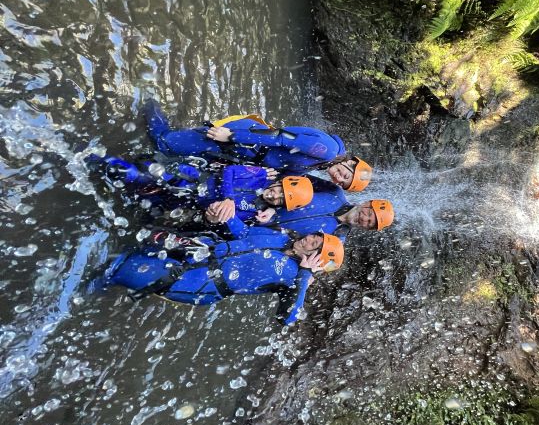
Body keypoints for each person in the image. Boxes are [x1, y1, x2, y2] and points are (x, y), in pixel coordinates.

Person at [98, 215, 344, 325]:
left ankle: (93, 286)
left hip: (199, 283)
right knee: (132, 243)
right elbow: (244, 234)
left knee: (118, 268)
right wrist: (227, 214)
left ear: (316, 260)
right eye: (314, 237)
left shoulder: (292, 279)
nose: (309, 240)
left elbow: (287, 319)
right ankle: (102, 286)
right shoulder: (281, 238)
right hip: (199, 250)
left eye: (316, 246)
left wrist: (304, 277)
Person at [143, 101, 373, 192]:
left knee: (181, 158)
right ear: (350, 162)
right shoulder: (328, 150)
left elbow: (288, 170)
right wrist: (231, 135)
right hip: (244, 139)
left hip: (244, 153)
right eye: (346, 175)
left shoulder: (323, 162)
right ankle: (147, 100)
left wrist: (269, 178)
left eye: (344, 183)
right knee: (165, 143)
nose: (340, 179)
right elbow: (281, 137)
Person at [88, 154, 314, 223]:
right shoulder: (261, 176)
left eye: (278, 200)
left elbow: (223, 221)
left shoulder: (254, 212)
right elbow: (230, 171)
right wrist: (228, 198)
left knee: (134, 208)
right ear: (278, 183)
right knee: (126, 172)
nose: (273, 195)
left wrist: (214, 217)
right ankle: (88, 157)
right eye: (278, 190)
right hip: (186, 177)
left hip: (182, 202)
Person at [258, 176, 395, 240]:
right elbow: (297, 178)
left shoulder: (336, 239)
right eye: (369, 213)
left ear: (367, 229)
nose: (364, 219)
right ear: (366, 203)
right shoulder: (334, 192)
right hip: (260, 205)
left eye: (369, 223)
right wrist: (273, 208)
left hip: (259, 234)